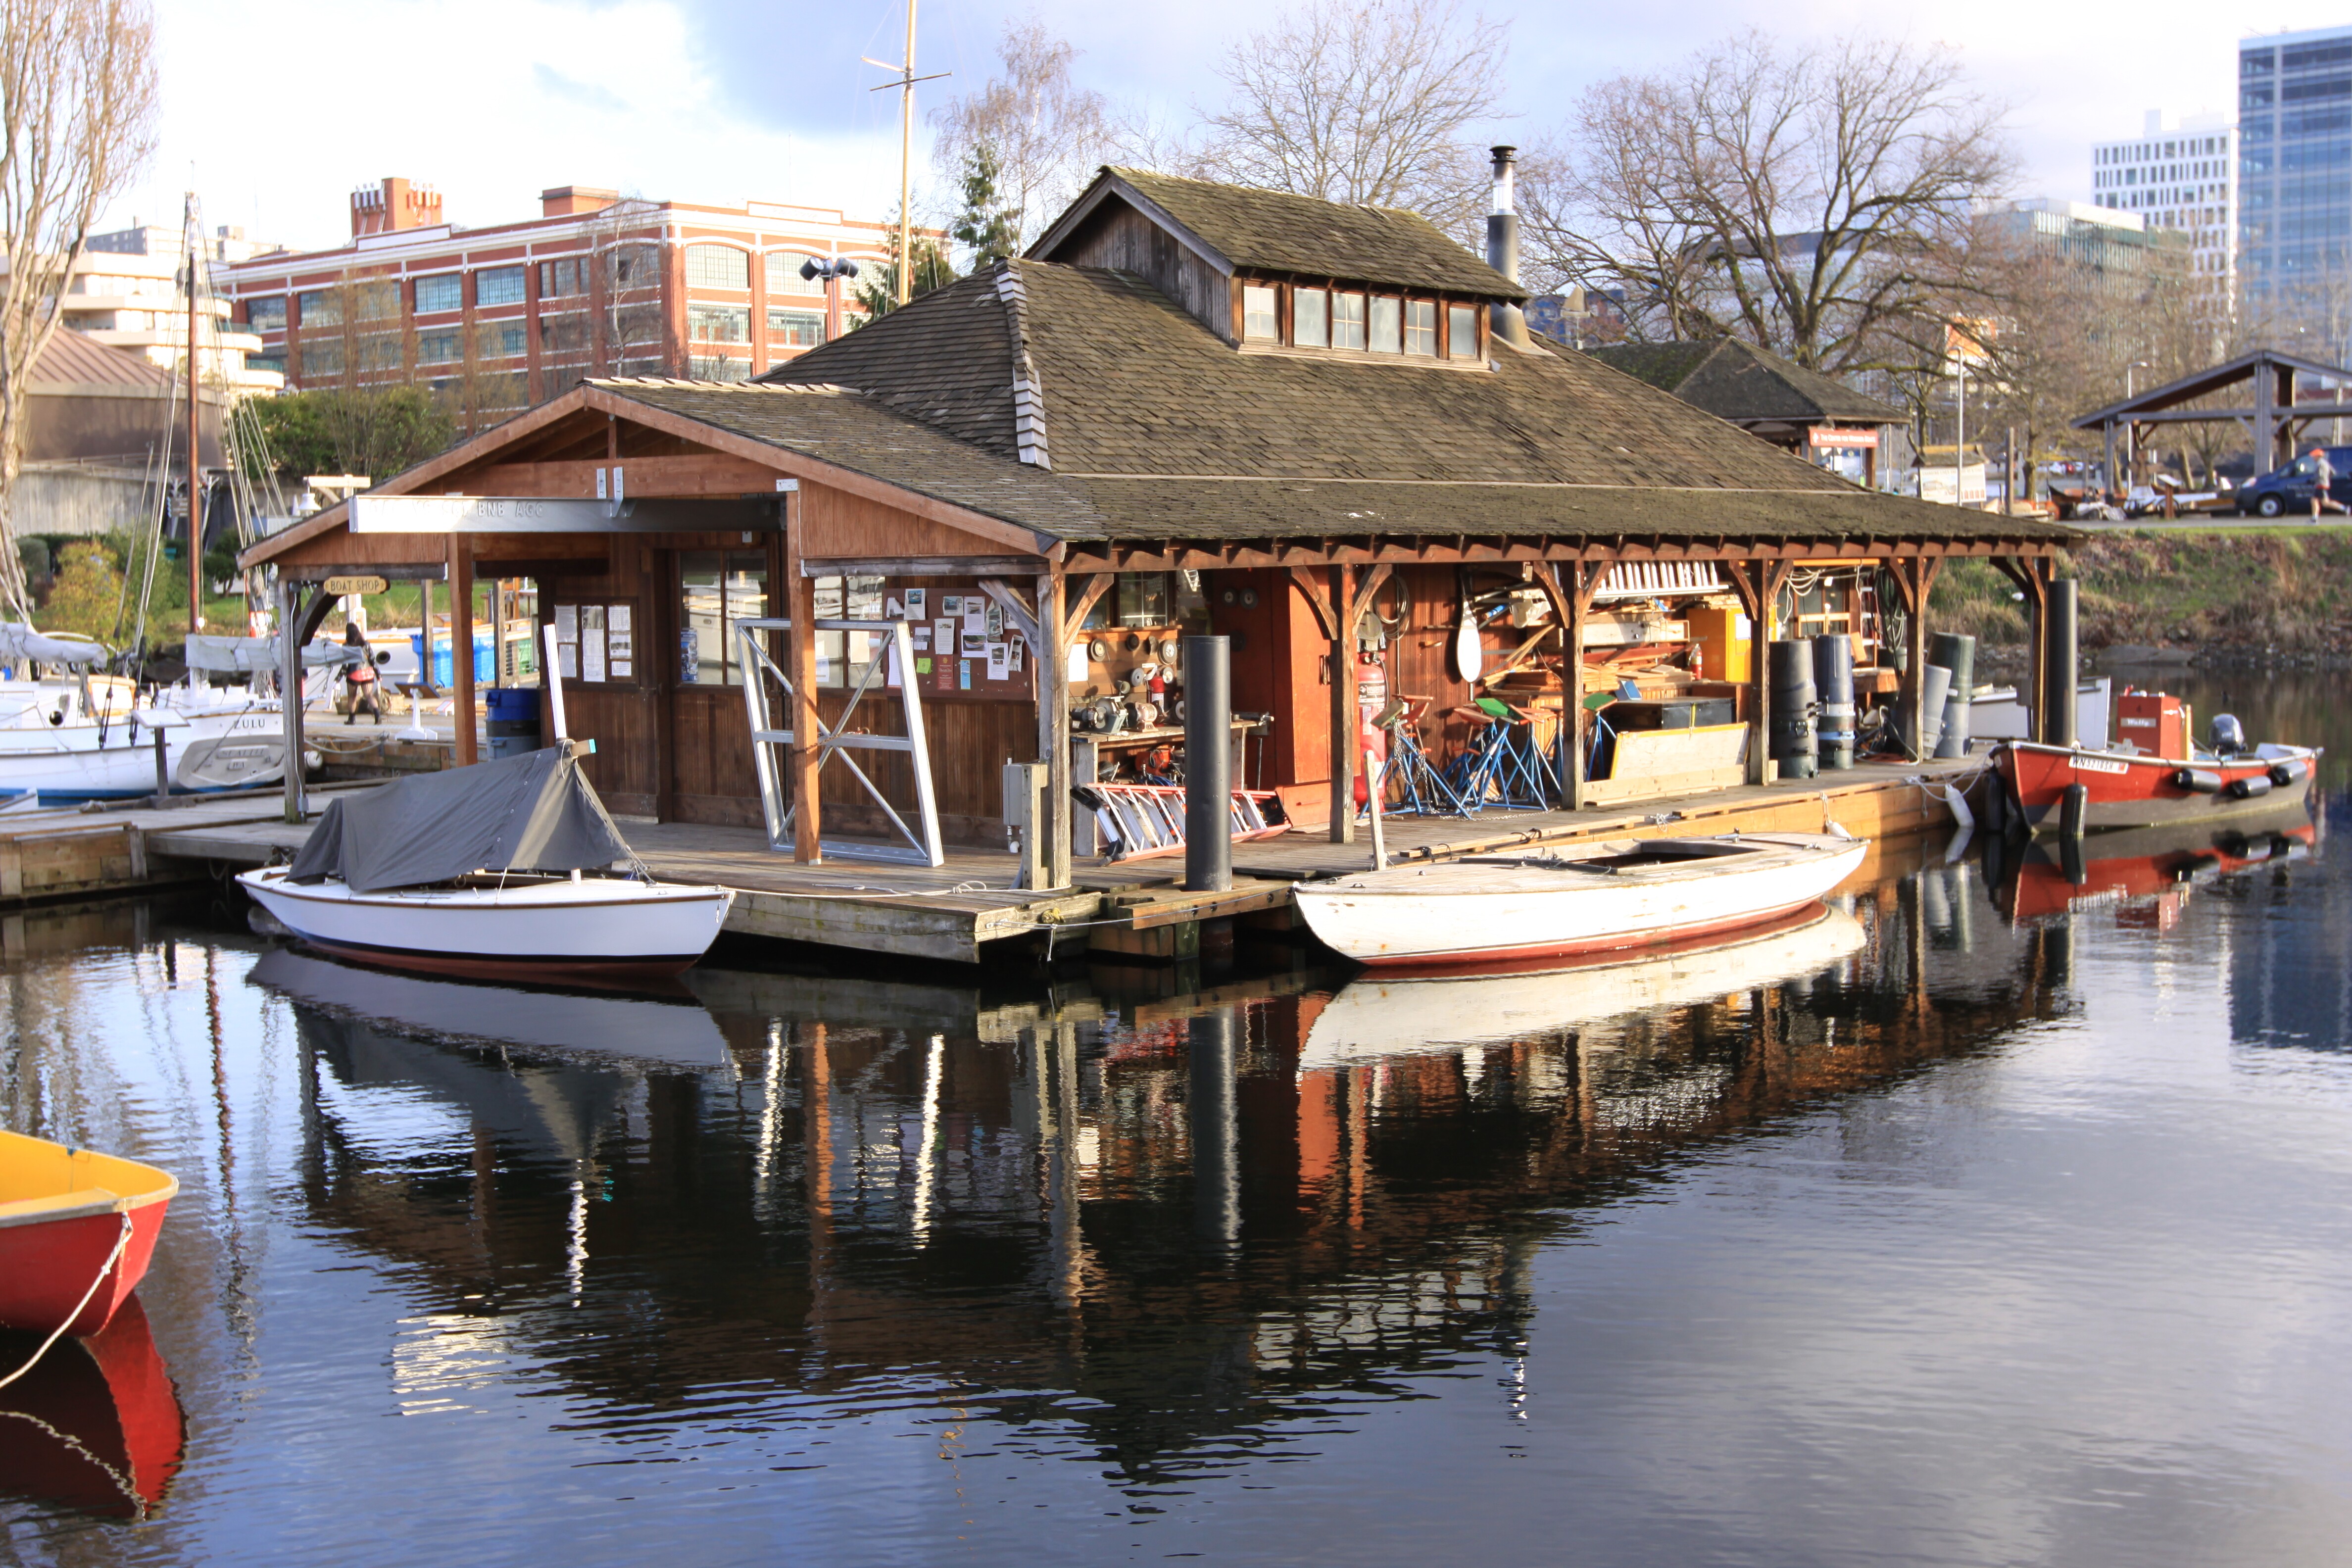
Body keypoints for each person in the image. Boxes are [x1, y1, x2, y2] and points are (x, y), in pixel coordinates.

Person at [341, 621, 381, 724]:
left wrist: (339, 677)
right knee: (369, 695)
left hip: (354, 674)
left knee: (352, 697)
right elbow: (373, 659)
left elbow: (345, 664)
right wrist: (378, 674)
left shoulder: (346, 646)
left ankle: (352, 719)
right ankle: (378, 716)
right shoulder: (366, 644)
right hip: (368, 673)